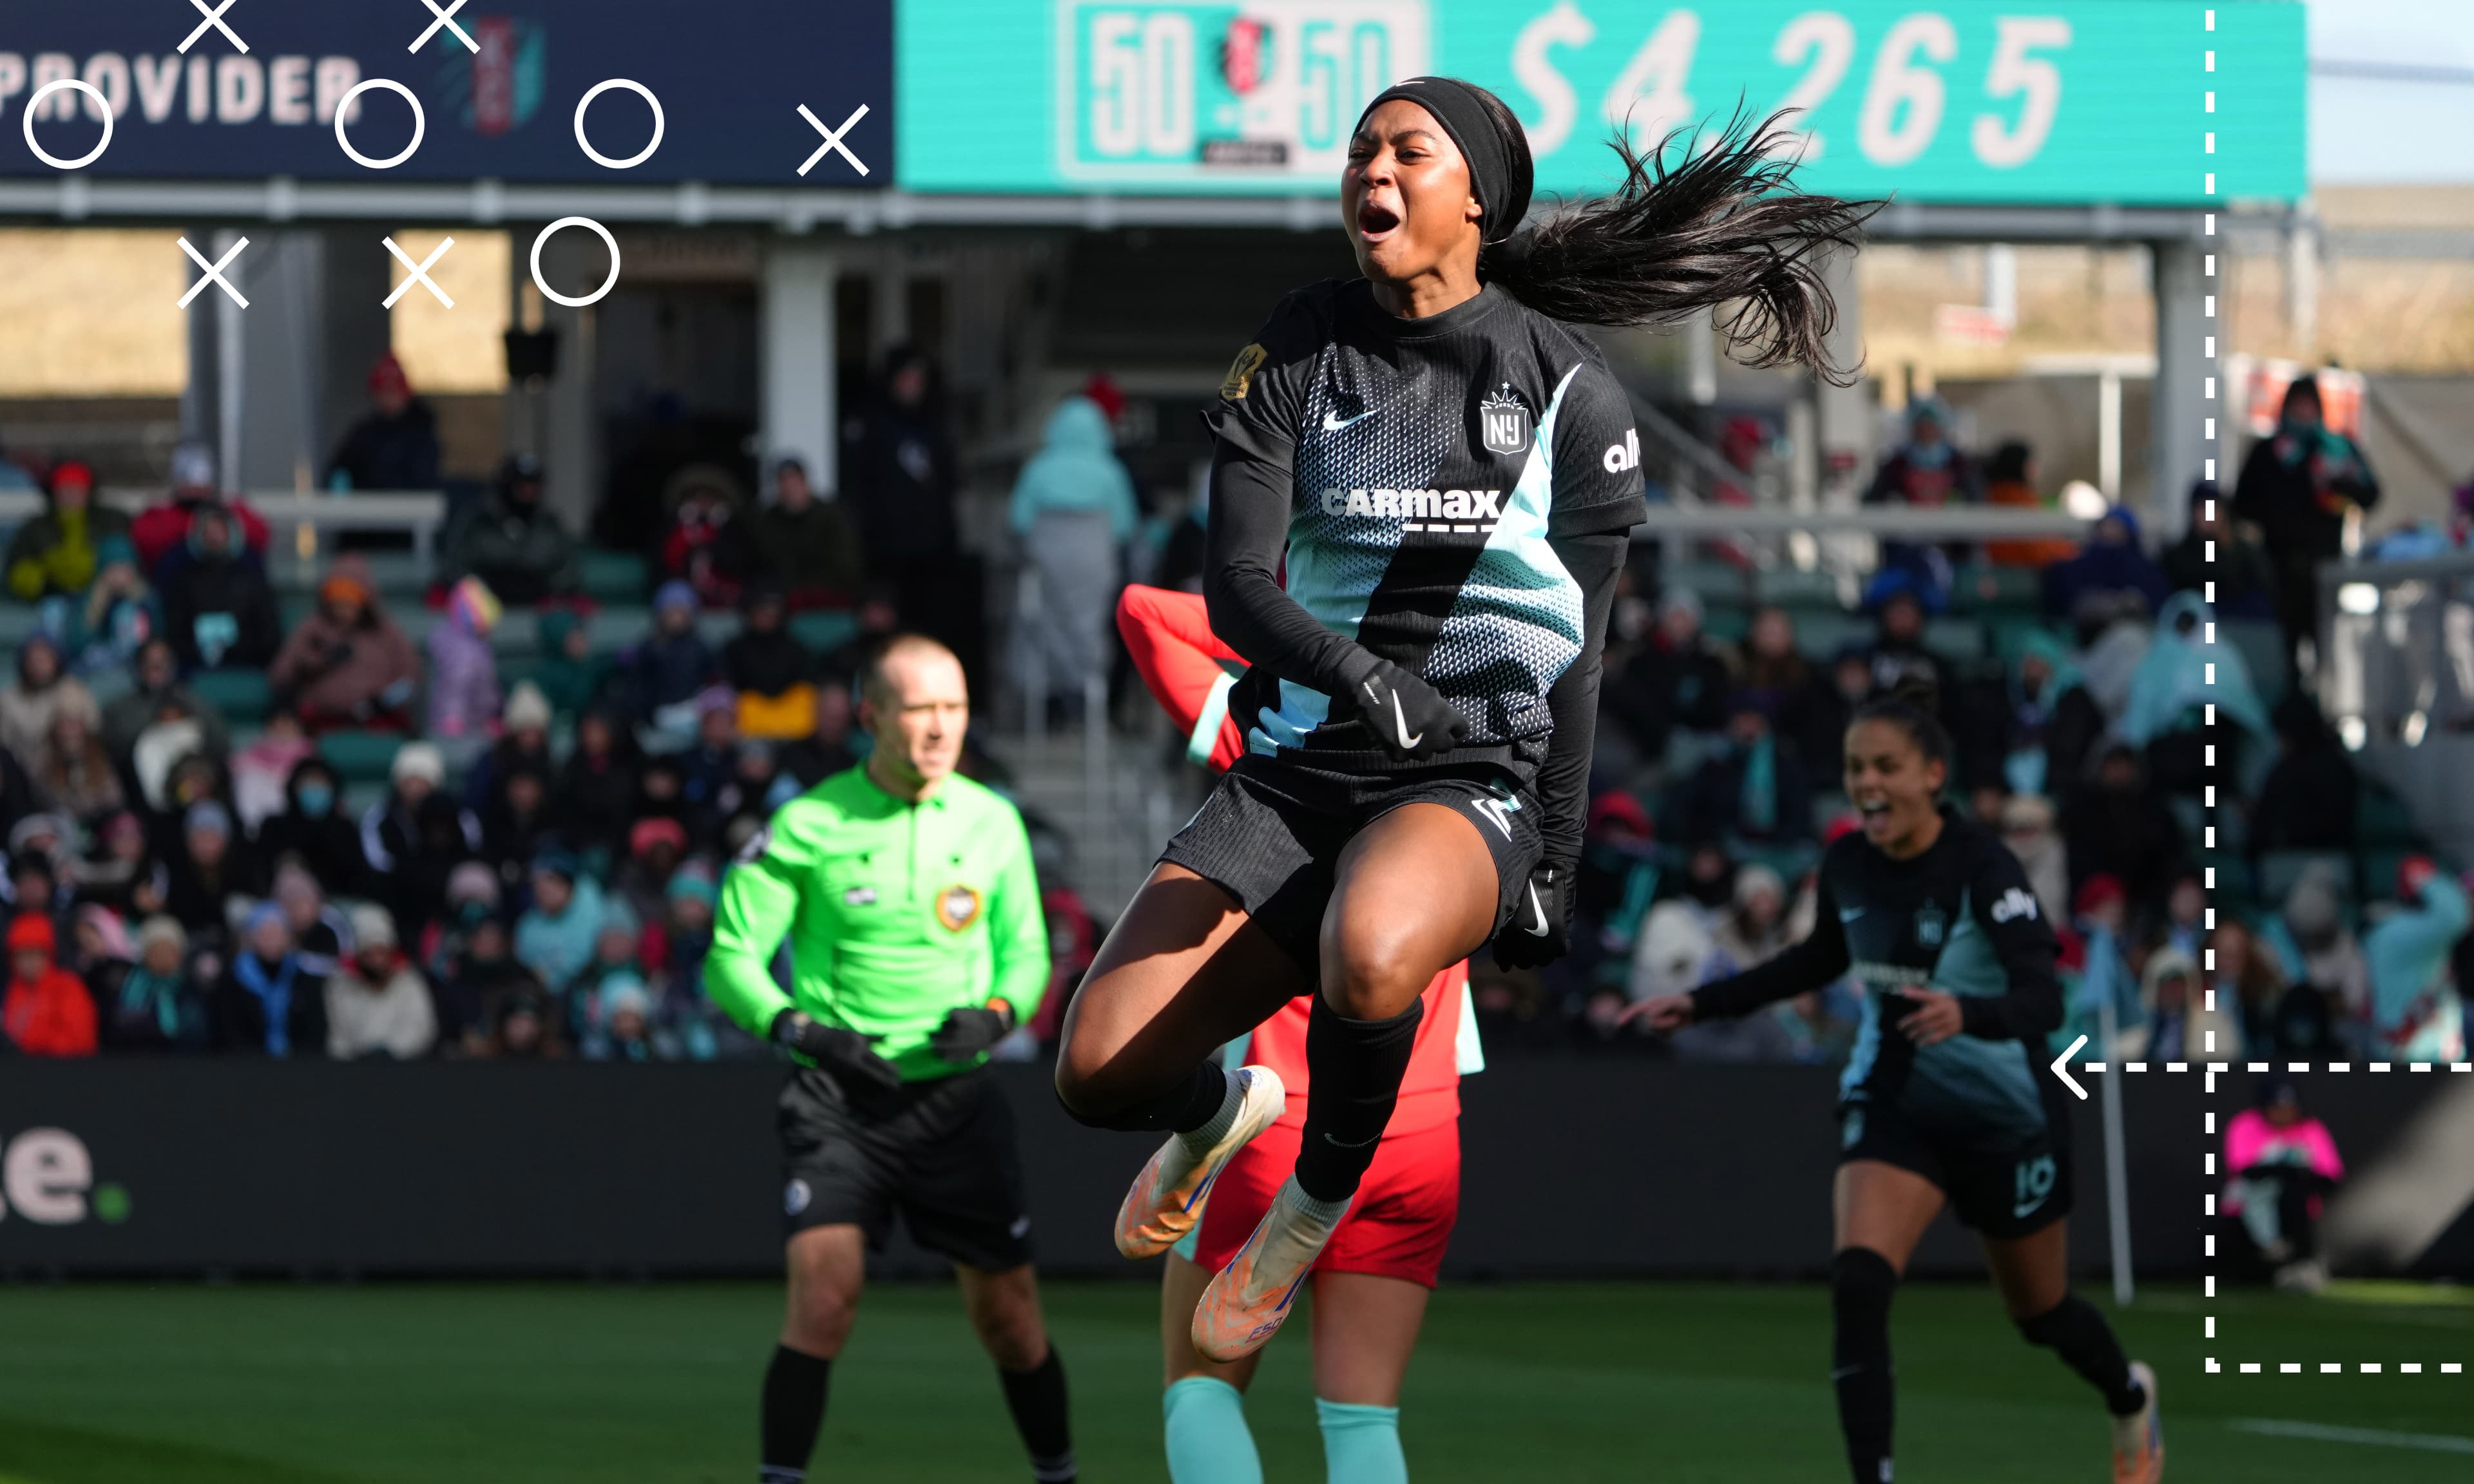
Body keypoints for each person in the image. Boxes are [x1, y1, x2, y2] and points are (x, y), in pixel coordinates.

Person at [1053, 84, 1867, 1364]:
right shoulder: (1299, 343)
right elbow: (1236, 585)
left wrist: (1554, 857)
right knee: (1095, 1071)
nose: (1370, 169)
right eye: (1360, 151)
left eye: (1405, 150)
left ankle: (1309, 1213)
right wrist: (1357, 674)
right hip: (1293, 773)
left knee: (1375, 947)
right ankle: (1222, 1115)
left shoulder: (1568, 386)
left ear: (1475, 195)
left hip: (1466, 774)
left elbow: (1583, 659)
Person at [1627, 684, 2163, 1484]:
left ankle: (2129, 1396)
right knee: (1859, 1282)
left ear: (1932, 776)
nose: (1867, 784)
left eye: (1886, 767)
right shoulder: (1848, 864)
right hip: (1897, 1100)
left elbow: (2043, 998)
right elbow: (1815, 964)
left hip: (2006, 1115)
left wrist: (1968, 1012)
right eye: (1854, 768)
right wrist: (1702, 1003)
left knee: (2041, 1314)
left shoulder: (1983, 867)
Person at [1115, 583, 1481, 1484]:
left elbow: (1143, 613)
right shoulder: (1477, 763)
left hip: (1282, 1116)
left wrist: (1309, 632)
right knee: (1362, 1422)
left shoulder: (1277, 745)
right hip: (1422, 1129)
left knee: (1199, 1388)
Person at [705, 634, 1072, 1484]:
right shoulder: (806, 824)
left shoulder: (994, 820)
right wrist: (800, 1029)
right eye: (919, 709)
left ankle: (1061, 1475)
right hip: (837, 1104)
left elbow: (1027, 950)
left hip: (957, 1107)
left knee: (1011, 1320)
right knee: (824, 1301)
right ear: (871, 716)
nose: (941, 728)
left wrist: (997, 1014)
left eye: (954, 707)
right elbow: (729, 958)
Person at [2232, 376, 2379, 661]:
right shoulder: (2268, 453)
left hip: (2324, 564)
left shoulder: (2337, 450)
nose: (2303, 413)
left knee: (2327, 647)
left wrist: (2343, 487)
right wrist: (2273, 518)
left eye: (2308, 406)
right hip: (2278, 567)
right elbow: (2242, 503)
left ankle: (2321, 703)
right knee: (2281, 649)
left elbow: (2371, 494)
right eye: (2297, 405)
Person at [1011, 394, 1139, 715]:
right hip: (1095, 574)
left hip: (1045, 574)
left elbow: (1018, 521)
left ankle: (1045, 705)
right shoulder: (1111, 473)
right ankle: (1089, 700)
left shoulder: (1038, 468)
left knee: (1042, 626)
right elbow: (1124, 528)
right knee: (1091, 630)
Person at [845, 345, 962, 633]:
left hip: (929, 551)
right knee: (885, 623)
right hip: (884, 549)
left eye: (917, 379)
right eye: (906, 377)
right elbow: (857, 485)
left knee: (927, 622)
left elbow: (947, 486)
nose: (912, 385)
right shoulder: (870, 423)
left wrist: (947, 535)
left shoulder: (935, 426)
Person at [2222, 1076, 2344, 1292]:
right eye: (2277, 1107)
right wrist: (2282, 1168)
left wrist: (2295, 1173)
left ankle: (2302, 1264)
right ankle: (2269, 1261)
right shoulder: (2245, 1124)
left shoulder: (2311, 1128)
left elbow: (2330, 1177)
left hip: (2296, 1215)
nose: (2283, 1113)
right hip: (2249, 1211)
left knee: (2294, 1194)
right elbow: (2244, 1171)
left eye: (2289, 1107)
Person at [269, 560, 422, 731]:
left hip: (378, 721)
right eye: (336, 603)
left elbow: (410, 679)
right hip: (320, 721)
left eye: (349, 603)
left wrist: (382, 702)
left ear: (364, 601)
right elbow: (279, 675)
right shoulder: (312, 629)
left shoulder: (386, 632)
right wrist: (317, 662)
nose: (342, 609)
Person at [1601, 587, 1732, 767]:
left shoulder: (1711, 663)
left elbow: (1716, 706)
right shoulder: (1641, 659)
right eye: (1674, 615)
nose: (1679, 622)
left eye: (1685, 616)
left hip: (1700, 741)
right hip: (1648, 744)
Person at [2362, 856, 2469, 1065]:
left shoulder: (2397, 928)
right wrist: (2427, 879)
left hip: (2411, 1045)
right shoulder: (2401, 931)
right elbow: (2456, 917)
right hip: (2413, 1050)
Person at [441, 454, 580, 606]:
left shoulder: (550, 525)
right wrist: (484, 588)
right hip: (482, 609)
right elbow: (456, 567)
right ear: (507, 485)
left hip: (539, 608)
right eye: (522, 486)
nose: (528, 493)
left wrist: (545, 588)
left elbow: (568, 571)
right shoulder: (477, 522)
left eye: (534, 487)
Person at [158, 503, 281, 672]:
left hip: (245, 665)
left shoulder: (250, 577)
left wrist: (240, 648)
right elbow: (176, 630)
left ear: (231, 533)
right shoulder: (185, 580)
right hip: (195, 667)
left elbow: (268, 630)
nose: (214, 537)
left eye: (219, 531)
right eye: (208, 532)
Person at [129, 441, 271, 575]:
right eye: (189, 484)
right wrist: (197, 528)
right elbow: (146, 541)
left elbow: (261, 533)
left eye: (201, 485)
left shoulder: (229, 511)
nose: (196, 490)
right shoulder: (161, 517)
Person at [6, 459, 133, 604]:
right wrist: (45, 585)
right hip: (49, 601)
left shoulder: (111, 522)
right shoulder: (36, 528)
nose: (70, 496)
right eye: (64, 490)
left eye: (76, 489)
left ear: (88, 492)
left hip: (102, 596)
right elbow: (18, 568)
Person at [213, 902, 327, 1057]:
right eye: (264, 933)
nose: (271, 940)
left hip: (299, 1067)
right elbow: (229, 1032)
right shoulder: (233, 979)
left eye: (277, 933)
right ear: (252, 937)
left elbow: (316, 1029)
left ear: (288, 937)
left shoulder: (304, 979)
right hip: (247, 1068)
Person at [327, 904, 437, 1061]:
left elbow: (421, 1028)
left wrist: (389, 1051)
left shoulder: (409, 981)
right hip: (355, 1070)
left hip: (403, 1068)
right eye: (369, 954)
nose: (376, 961)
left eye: (381, 952)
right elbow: (338, 1037)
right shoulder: (341, 985)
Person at [325, 354, 441, 493]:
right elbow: (339, 468)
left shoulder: (422, 432)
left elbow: (424, 479)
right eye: (383, 392)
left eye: (393, 391)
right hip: (368, 511)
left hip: (410, 510)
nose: (388, 398)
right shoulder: (363, 434)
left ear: (405, 394)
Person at [2160, 480, 2275, 622]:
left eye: (2214, 508)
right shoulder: (2176, 557)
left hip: (2238, 631)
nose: (2209, 514)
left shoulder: (2245, 554)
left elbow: (2262, 596)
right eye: (2203, 507)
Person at [2040, 506, 2169, 633]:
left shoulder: (2144, 569)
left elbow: (2157, 603)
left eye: (2117, 526)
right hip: (2083, 637)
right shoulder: (2075, 566)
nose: (2109, 531)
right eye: (2106, 525)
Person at [103, 637, 229, 765]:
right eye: (149, 661)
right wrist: (156, 722)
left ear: (172, 665)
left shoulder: (190, 702)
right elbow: (113, 750)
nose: (156, 666)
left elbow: (220, 742)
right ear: (139, 666)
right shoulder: (119, 709)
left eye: (163, 661)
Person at [755, 457, 862, 605]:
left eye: (794, 480)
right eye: (783, 481)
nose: (789, 487)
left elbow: (845, 564)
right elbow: (766, 561)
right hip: (783, 598)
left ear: (805, 482)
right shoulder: (769, 519)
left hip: (827, 595)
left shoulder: (831, 517)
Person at [255, 756, 363, 900]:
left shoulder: (345, 828)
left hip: (336, 903)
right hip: (281, 904)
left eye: (321, 783)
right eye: (309, 782)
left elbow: (356, 877)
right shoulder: (274, 826)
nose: (315, 788)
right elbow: (261, 872)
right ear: (294, 787)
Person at [723, 585, 821, 741]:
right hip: (749, 732)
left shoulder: (797, 649)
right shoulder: (734, 649)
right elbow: (729, 687)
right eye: (761, 610)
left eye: (772, 611)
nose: (767, 615)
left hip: (794, 730)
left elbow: (806, 686)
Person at [100, 914, 209, 1054]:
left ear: (179, 953)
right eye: (156, 949)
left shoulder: (191, 989)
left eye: (168, 949)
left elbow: (196, 1032)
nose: (162, 956)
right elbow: (117, 1029)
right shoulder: (129, 986)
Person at [3, 911, 97, 1056]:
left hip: (58, 1071)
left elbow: (79, 1040)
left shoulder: (67, 986)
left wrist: (29, 1047)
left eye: (34, 953)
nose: (28, 962)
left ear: (47, 954)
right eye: (21, 954)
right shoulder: (13, 989)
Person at [0, 634, 96, 769]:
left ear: (56, 660)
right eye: (33, 660)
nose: (38, 666)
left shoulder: (73, 691)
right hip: (23, 771)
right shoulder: (8, 699)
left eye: (44, 660)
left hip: (68, 769)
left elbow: (91, 733)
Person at [426, 576, 503, 739]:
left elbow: (486, 688)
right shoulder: (464, 652)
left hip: (477, 722)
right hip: (457, 726)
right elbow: (455, 690)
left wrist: (492, 716)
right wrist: (453, 720)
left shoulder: (479, 647)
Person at [1980, 441, 2078, 568]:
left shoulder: (1997, 494)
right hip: (2022, 570)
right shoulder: (2015, 498)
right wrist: (2072, 552)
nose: (2036, 468)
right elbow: (2037, 548)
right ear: (2020, 465)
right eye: (2031, 463)